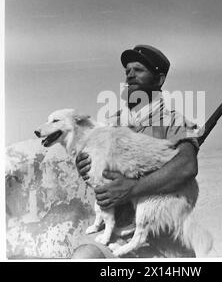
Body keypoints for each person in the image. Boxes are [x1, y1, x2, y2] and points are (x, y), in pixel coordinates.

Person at [73, 45, 203, 258]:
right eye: (127, 71)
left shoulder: (174, 121)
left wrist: (132, 190)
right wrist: (85, 166)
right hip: (115, 232)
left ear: (159, 80)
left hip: (161, 239)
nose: (130, 75)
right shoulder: (111, 123)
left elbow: (187, 166)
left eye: (139, 70)